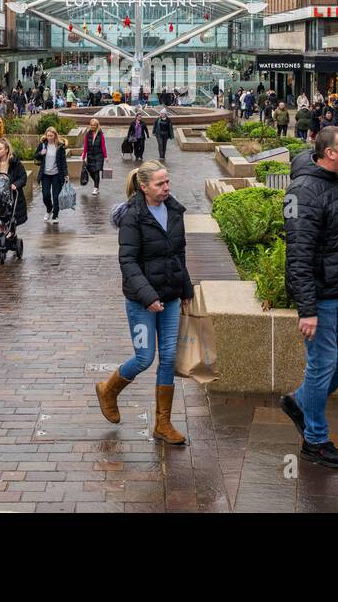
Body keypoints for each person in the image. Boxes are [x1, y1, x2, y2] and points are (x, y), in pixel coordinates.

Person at [279, 127, 338, 470]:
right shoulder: (303, 192)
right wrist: (307, 309)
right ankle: (314, 440)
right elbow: (298, 255)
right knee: (322, 365)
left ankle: (300, 401)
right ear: (329, 153)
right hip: (321, 299)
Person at [95, 161, 193, 446]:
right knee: (144, 357)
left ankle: (163, 423)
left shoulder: (174, 210)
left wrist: (186, 286)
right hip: (141, 301)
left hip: (171, 297)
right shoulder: (133, 216)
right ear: (144, 186)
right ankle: (108, 389)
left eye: (167, 182)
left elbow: (179, 253)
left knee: (169, 358)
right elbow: (127, 261)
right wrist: (148, 296)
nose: (166, 188)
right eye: (160, 184)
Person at [0, 137, 29, 229]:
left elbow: (23, 177)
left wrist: (16, 185)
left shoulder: (14, 163)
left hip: (11, 195)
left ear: (6, 150)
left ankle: (10, 234)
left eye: (0, 149)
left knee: (11, 219)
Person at [36, 126, 68, 223]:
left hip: (56, 175)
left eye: (51, 135)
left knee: (56, 196)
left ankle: (55, 215)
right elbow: (36, 156)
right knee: (45, 195)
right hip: (45, 174)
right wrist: (41, 153)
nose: (49, 137)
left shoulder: (60, 146)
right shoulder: (42, 145)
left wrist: (66, 174)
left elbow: (63, 161)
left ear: (55, 136)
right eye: (48, 135)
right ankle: (49, 209)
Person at [82, 117, 108, 196]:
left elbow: (103, 146)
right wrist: (84, 156)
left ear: (97, 126)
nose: (93, 127)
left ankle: (95, 188)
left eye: (94, 125)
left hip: (99, 155)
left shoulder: (100, 134)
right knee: (90, 171)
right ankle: (96, 183)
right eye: (91, 125)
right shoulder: (87, 134)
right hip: (90, 155)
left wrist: (105, 157)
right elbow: (86, 146)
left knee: (96, 172)